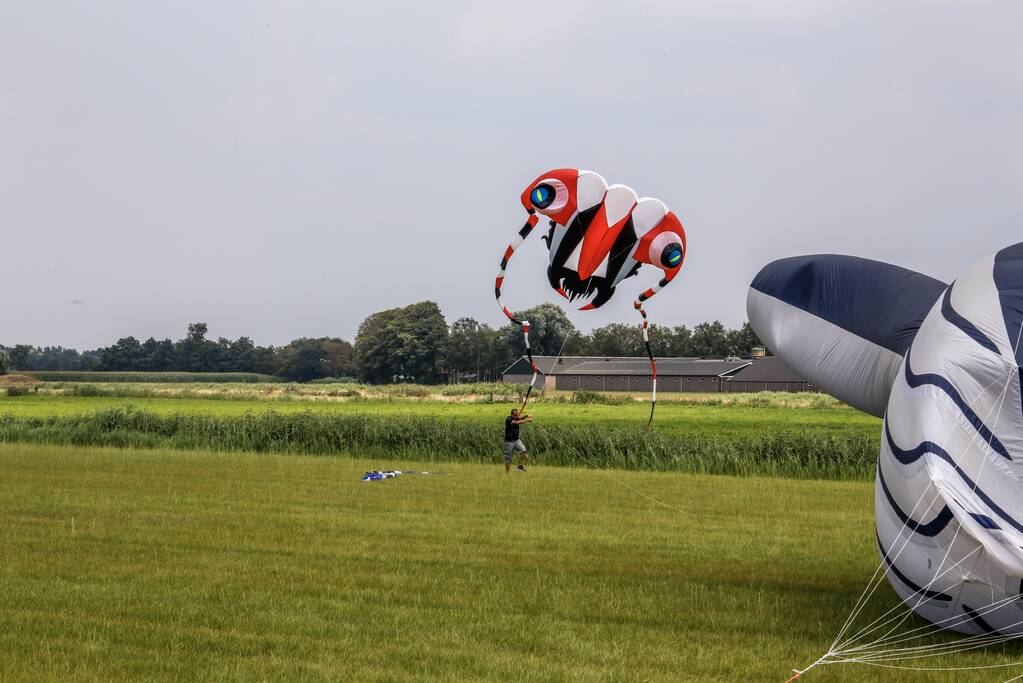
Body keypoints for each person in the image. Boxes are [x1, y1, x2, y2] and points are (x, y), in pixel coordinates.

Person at [503, 407, 532, 473]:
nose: (517, 416)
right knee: (508, 458)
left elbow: (520, 418)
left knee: (523, 451)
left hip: (516, 440)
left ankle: (519, 467)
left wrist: (526, 415)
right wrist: (526, 420)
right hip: (509, 442)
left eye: (517, 414)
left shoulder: (515, 417)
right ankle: (507, 473)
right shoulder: (509, 419)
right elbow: (516, 423)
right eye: (515, 415)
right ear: (512, 414)